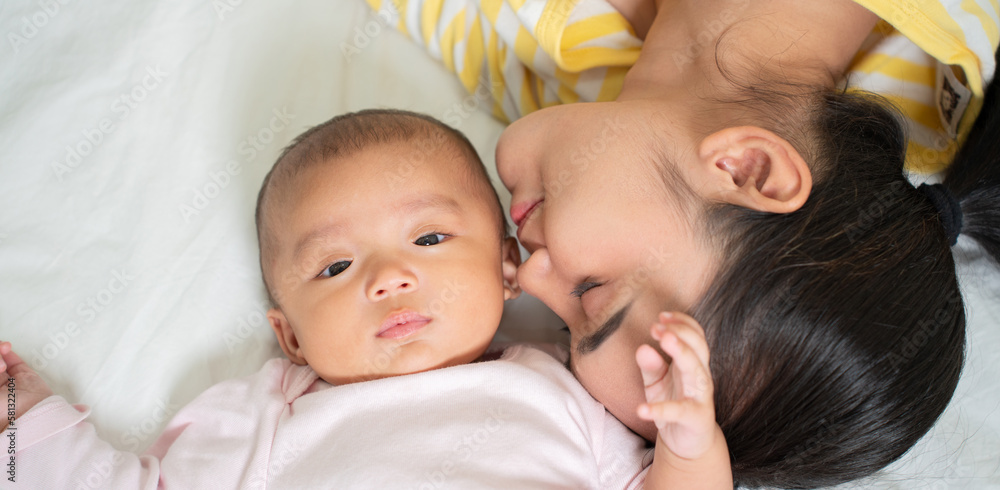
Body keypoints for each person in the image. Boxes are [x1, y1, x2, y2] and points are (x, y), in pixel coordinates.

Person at [365, 0, 1000, 487]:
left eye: (563, 327)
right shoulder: (946, 59)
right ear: (747, 170)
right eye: (591, 293)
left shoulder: (554, 88)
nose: (526, 279)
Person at [0, 109, 733, 489]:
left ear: (508, 268)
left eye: (429, 239)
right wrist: (24, 420)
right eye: (336, 266)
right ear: (289, 338)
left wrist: (690, 446)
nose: (387, 279)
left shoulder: (562, 399)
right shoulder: (268, 416)